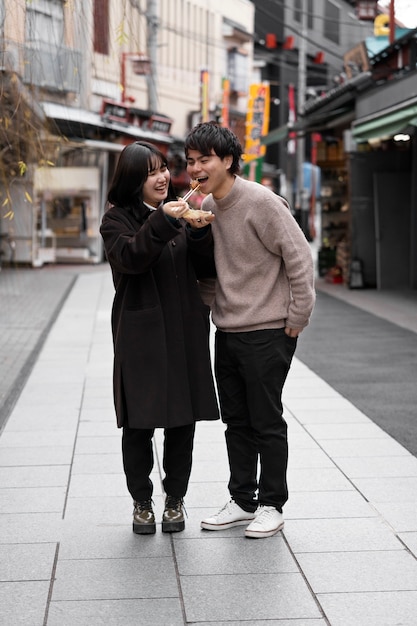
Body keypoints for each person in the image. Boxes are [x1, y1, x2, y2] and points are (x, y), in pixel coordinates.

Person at [184, 122, 316, 539]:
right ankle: (242, 499)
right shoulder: (204, 209)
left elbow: (298, 259)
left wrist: (298, 316)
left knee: (266, 420)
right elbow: (212, 274)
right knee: (236, 421)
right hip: (228, 331)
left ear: (227, 160)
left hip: (268, 330)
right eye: (190, 162)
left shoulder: (261, 202)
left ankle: (272, 504)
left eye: (204, 160)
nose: (196, 169)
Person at [100, 141, 219, 535]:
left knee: (182, 421)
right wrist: (166, 220)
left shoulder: (179, 214)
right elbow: (132, 257)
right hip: (140, 335)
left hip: (184, 327)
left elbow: (203, 270)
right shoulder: (116, 221)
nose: (164, 176)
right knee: (139, 423)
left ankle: (175, 500)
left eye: (164, 168)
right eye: (152, 171)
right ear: (135, 179)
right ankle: (141, 501)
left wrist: (200, 233)